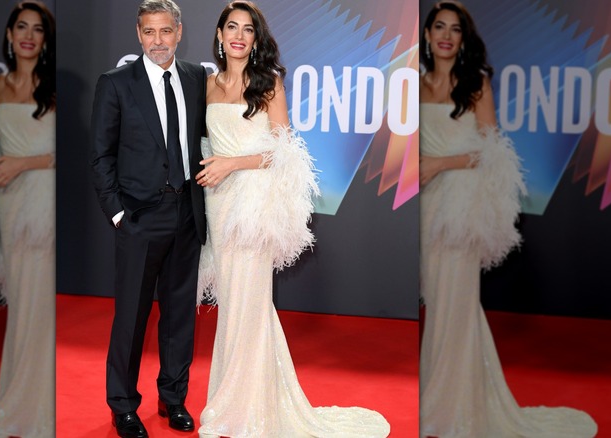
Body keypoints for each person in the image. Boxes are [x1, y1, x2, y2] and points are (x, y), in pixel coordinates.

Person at [194, 2, 391, 437]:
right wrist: (214, 167)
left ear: (257, 38)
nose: (239, 36)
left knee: (249, 301)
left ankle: (242, 407)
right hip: (218, 205)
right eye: (232, 27)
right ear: (220, 34)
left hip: (252, 208)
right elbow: (203, 144)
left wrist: (231, 163)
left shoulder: (269, 84)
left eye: (248, 29)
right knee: (234, 301)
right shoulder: (205, 85)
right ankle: (236, 398)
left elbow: (282, 154)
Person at [418, 2, 598, 437]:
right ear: (426, 35)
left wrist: (439, 163)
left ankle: (453, 408)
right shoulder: (416, 86)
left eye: (455, 29)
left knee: (456, 300)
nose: (446, 35)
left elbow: (492, 152)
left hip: (460, 208)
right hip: (427, 207)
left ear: (463, 39)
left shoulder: (476, 84)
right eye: (438, 26)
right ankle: (444, 396)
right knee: (440, 302)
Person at [90, 0, 207, 437]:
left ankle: (173, 399)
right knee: (131, 318)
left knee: (180, 316)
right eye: (148, 32)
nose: (157, 41)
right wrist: (119, 214)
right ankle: (123, 405)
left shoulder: (197, 77)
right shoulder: (116, 83)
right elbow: (100, 156)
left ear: (178, 31)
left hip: (187, 215)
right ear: (139, 35)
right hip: (139, 218)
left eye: (165, 31)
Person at [0, 1, 56, 437]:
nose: (28, 35)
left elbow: (66, 153)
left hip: (43, 206)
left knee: (40, 307)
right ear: (9, 35)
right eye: (21, 27)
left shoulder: (53, 88)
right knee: (20, 309)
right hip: (8, 205)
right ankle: (13, 401)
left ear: (45, 41)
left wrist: (22, 163)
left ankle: (36, 411)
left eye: (37, 29)